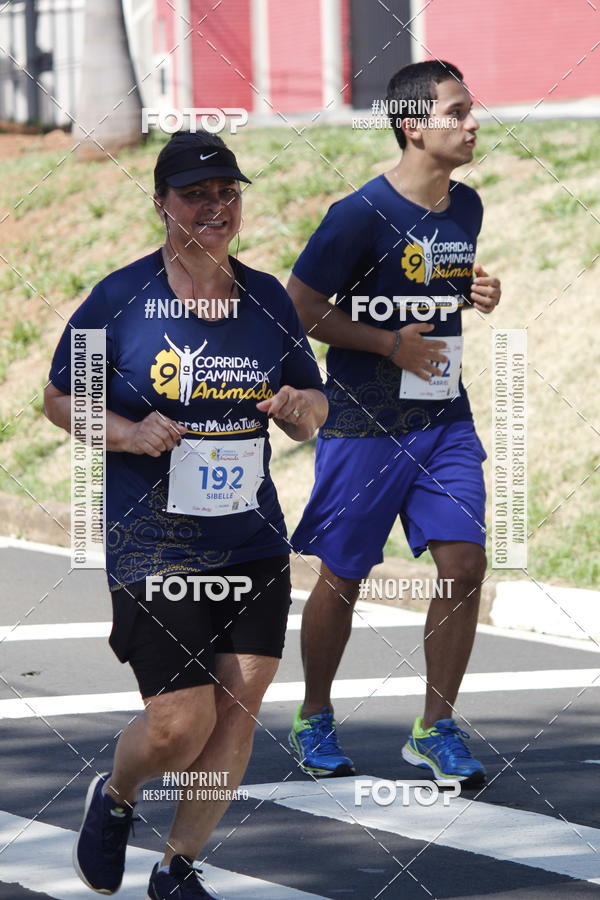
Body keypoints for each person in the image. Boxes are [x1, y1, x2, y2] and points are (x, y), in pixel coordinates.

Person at [45, 130, 327, 899]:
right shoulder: (120, 300)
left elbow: (312, 405)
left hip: (251, 539)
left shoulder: (265, 298)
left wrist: (301, 408)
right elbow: (61, 399)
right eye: (195, 194)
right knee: (180, 726)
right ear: (161, 203)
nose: (215, 206)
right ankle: (117, 795)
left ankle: (176, 869)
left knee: (238, 709)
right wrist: (127, 432)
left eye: (227, 192)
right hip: (155, 545)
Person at [288, 61, 501, 786]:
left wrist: (475, 291)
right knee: (344, 572)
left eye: (471, 109)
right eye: (456, 111)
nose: (472, 123)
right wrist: (388, 345)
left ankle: (434, 728)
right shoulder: (357, 215)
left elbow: (429, 285)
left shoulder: (466, 207)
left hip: (445, 417)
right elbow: (299, 308)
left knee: (464, 565)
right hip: (364, 424)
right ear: (413, 125)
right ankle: (315, 715)